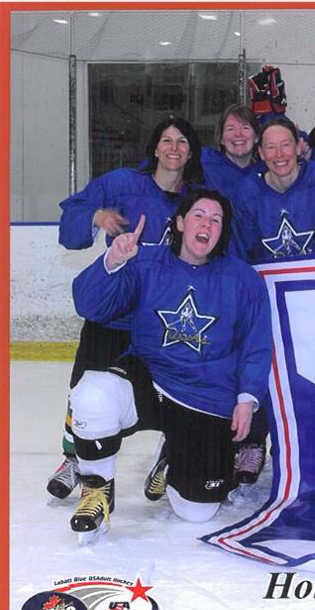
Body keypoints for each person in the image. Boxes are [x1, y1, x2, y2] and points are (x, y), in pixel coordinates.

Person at [67, 189, 271, 538]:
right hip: (151, 379)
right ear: (179, 223)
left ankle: (173, 452)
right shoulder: (145, 262)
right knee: (92, 394)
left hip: (206, 397)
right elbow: (88, 305)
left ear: (222, 231)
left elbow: (257, 345)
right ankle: (97, 488)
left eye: (216, 220)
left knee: (196, 512)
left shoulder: (243, 279)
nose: (207, 225)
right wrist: (112, 261)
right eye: (198, 216)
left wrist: (246, 398)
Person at [47, 116, 204, 502]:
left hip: (165, 322)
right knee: (86, 388)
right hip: (115, 315)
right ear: (155, 148)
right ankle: (75, 458)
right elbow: (72, 220)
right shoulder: (122, 184)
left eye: (182, 142)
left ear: (191, 152)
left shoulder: (197, 199)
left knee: (174, 391)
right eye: (166, 140)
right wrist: (95, 216)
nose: (173, 147)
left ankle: (170, 454)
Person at [231, 118, 315, 262]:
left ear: (298, 147)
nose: (279, 154)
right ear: (261, 153)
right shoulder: (247, 193)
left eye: (285, 145)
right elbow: (241, 255)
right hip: (266, 276)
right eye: (271, 147)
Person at [200, 104, 263, 208]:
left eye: (245, 128)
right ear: (221, 138)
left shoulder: (266, 170)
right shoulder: (205, 162)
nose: (238, 134)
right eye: (230, 129)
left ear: (256, 137)